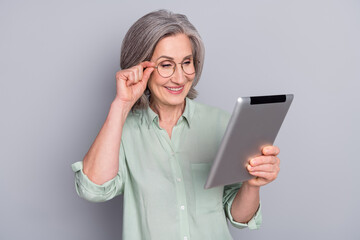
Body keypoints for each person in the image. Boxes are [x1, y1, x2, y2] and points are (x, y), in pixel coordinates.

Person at [71, 9, 280, 240]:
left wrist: (252, 184)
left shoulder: (220, 123)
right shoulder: (122, 131)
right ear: (140, 68)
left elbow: (238, 217)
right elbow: (93, 190)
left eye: (187, 62)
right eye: (166, 65)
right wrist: (121, 104)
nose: (180, 78)